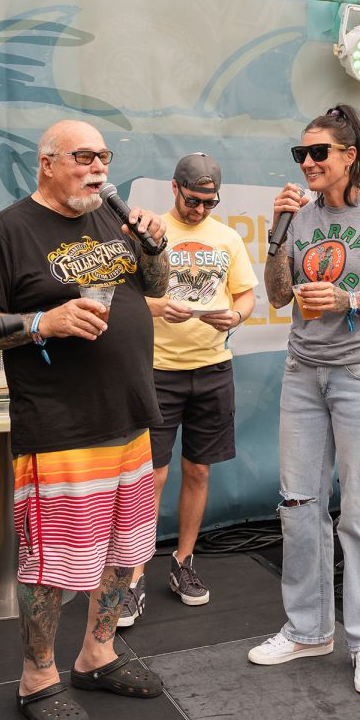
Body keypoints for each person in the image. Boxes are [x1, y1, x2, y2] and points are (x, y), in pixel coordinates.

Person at [0, 120, 169, 720]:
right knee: (52, 566)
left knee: (125, 552)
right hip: (60, 428)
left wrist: (154, 247)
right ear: (47, 162)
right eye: (84, 156)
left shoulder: (112, 219)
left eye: (104, 156)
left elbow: (156, 287)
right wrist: (40, 324)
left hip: (129, 417)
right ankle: (37, 677)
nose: (98, 167)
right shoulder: (8, 232)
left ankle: (97, 654)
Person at [248, 105, 360, 695]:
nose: (307, 162)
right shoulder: (298, 217)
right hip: (303, 374)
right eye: (300, 153)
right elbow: (279, 296)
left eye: (318, 152)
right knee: (298, 505)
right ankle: (308, 630)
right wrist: (276, 233)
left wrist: (352, 301)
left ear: (349, 156)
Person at [119, 153, 257, 626]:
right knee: (151, 476)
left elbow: (245, 294)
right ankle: (134, 577)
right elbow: (120, 298)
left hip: (213, 367)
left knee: (198, 469)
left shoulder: (227, 237)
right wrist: (157, 308)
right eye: (193, 200)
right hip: (157, 369)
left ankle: (183, 562)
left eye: (208, 202)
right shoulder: (148, 233)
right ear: (174, 188)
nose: (199, 210)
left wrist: (236, 315)